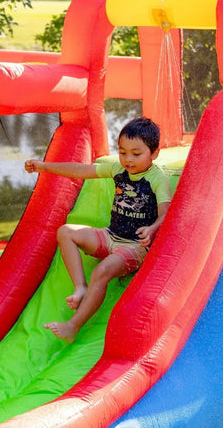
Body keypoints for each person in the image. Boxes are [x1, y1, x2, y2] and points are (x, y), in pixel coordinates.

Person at [24, 117, 172, 343]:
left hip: (134, 247)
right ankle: (80, 287)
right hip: (110, 235)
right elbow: (81, 170)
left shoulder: (156, 178)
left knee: (101, 272)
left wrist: (152, 229)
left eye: (136, 153)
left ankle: (73, 326)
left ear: (154, 153)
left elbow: (166, 213)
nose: (128, 159)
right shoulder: (117, 169)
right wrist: (44, 167)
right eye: (123, 152)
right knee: (66, 231)